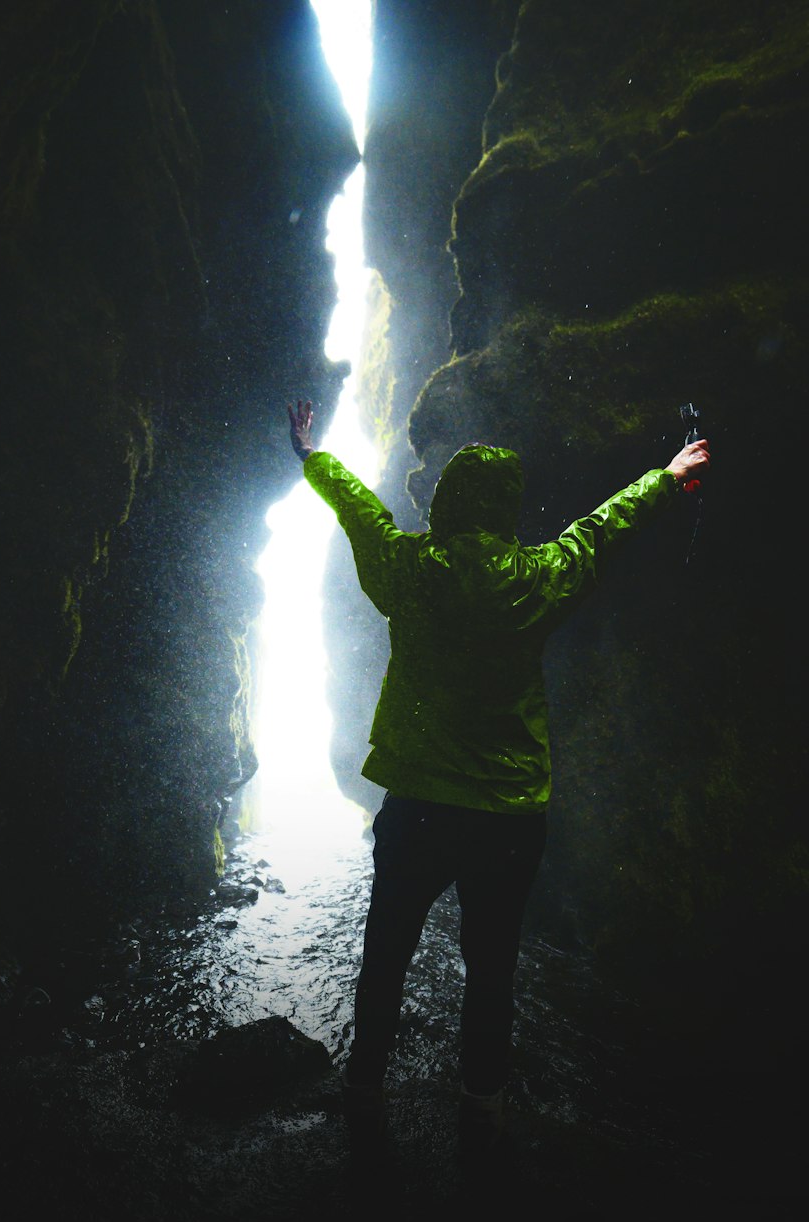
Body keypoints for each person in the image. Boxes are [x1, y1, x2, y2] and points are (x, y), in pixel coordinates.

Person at [286, 397, 711, 1146]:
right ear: (508, 508)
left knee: (386, 954)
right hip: (507, 817)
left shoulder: (409, 571)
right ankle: (482, 1103)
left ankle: (364, 1090)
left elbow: (361, 512)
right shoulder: (537, 578)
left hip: (418, 804)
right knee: (491, 970)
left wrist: (312, 454)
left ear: (447, 501)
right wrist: (667, 476)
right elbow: (601, 529)